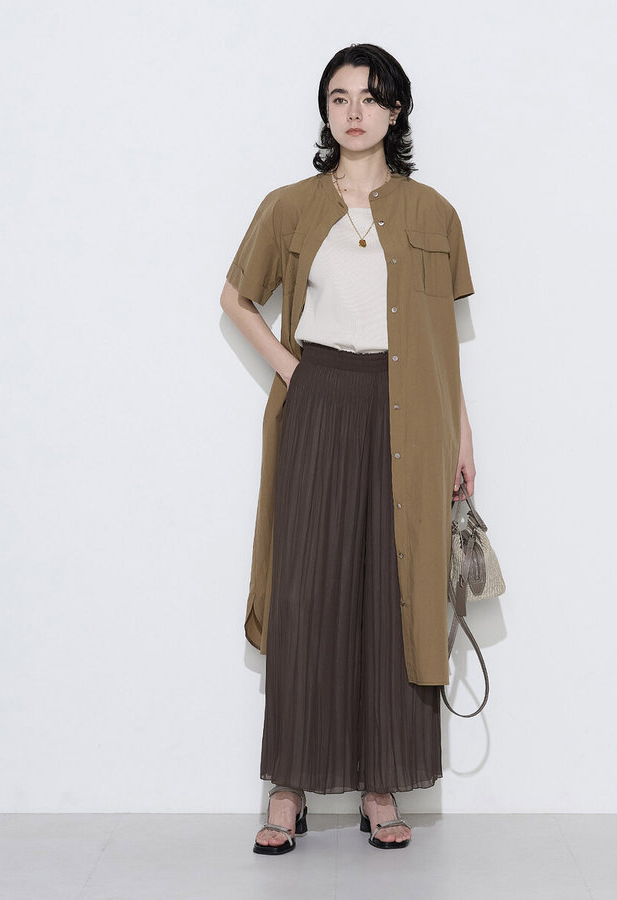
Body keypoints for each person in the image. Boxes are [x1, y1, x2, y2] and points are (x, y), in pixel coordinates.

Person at [219, 43, 476, 854]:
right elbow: (236, 296)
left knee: (394, 591)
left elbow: (444, 343)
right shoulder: (290, 206)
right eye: (339, 97)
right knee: (307, 592)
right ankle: (288, 788)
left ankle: (380, 787)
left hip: (412, 412)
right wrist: (295, 369)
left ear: (395, 111)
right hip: (321, 400)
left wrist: (463, 436)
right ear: (325, 111)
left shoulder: (433, 213)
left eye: (370, 97)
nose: (354, 111)